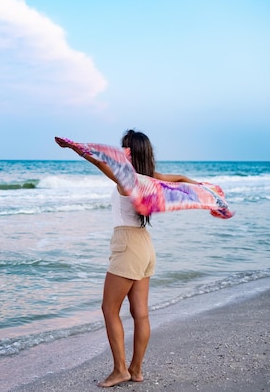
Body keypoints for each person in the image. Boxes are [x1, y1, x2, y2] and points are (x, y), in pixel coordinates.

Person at [55, 130, 198, 388]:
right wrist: (197, 185)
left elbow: (100, 162)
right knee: (140, 314)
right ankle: (136, 370)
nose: (121, 152)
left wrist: (76, 148)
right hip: (145, 245)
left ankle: (120, 370)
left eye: (124, 148)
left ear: (130, 152)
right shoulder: (151, 179)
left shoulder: (128, 179)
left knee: (109, 309)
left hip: (128, 246)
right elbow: (177, 179)